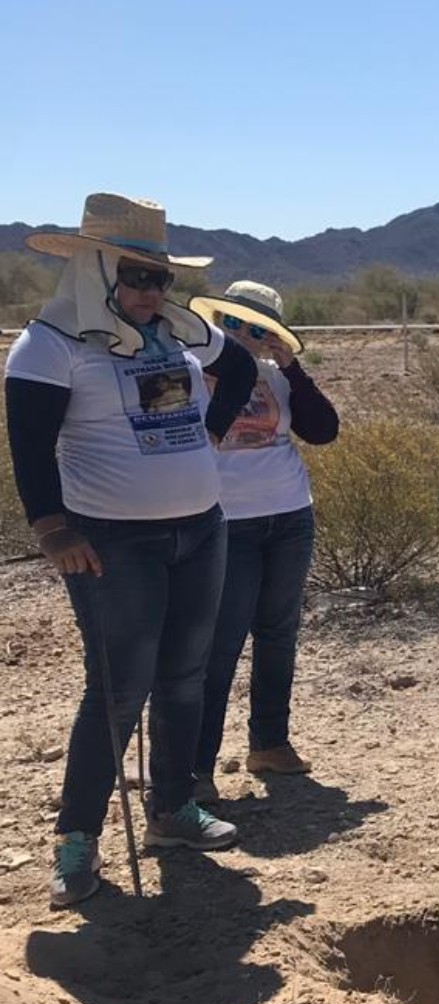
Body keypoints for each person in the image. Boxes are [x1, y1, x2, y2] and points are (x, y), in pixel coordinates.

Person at [5, 194, 259, 907]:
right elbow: (28, 444)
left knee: (185, 676)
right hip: (113, 542)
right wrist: (53, 528)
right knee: (118, 690)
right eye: (137, 277)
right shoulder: (51, 344)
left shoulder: (179, 332)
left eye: (161, 278)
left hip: (201, 528)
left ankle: (171, 810)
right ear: (97, 271)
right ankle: (77, 842)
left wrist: (210, 434)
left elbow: (238, 368)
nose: (152, 292)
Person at [186, 281, 340, 803]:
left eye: (257, 330)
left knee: (278, 634)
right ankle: (196, 767)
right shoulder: (193, 373)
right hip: (227, 521)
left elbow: (323, 430)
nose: (242, 336)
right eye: (232, 325)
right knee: (221, 643)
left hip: (290, 516)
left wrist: (291, 369)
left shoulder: (277, 379)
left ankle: (269, 743)